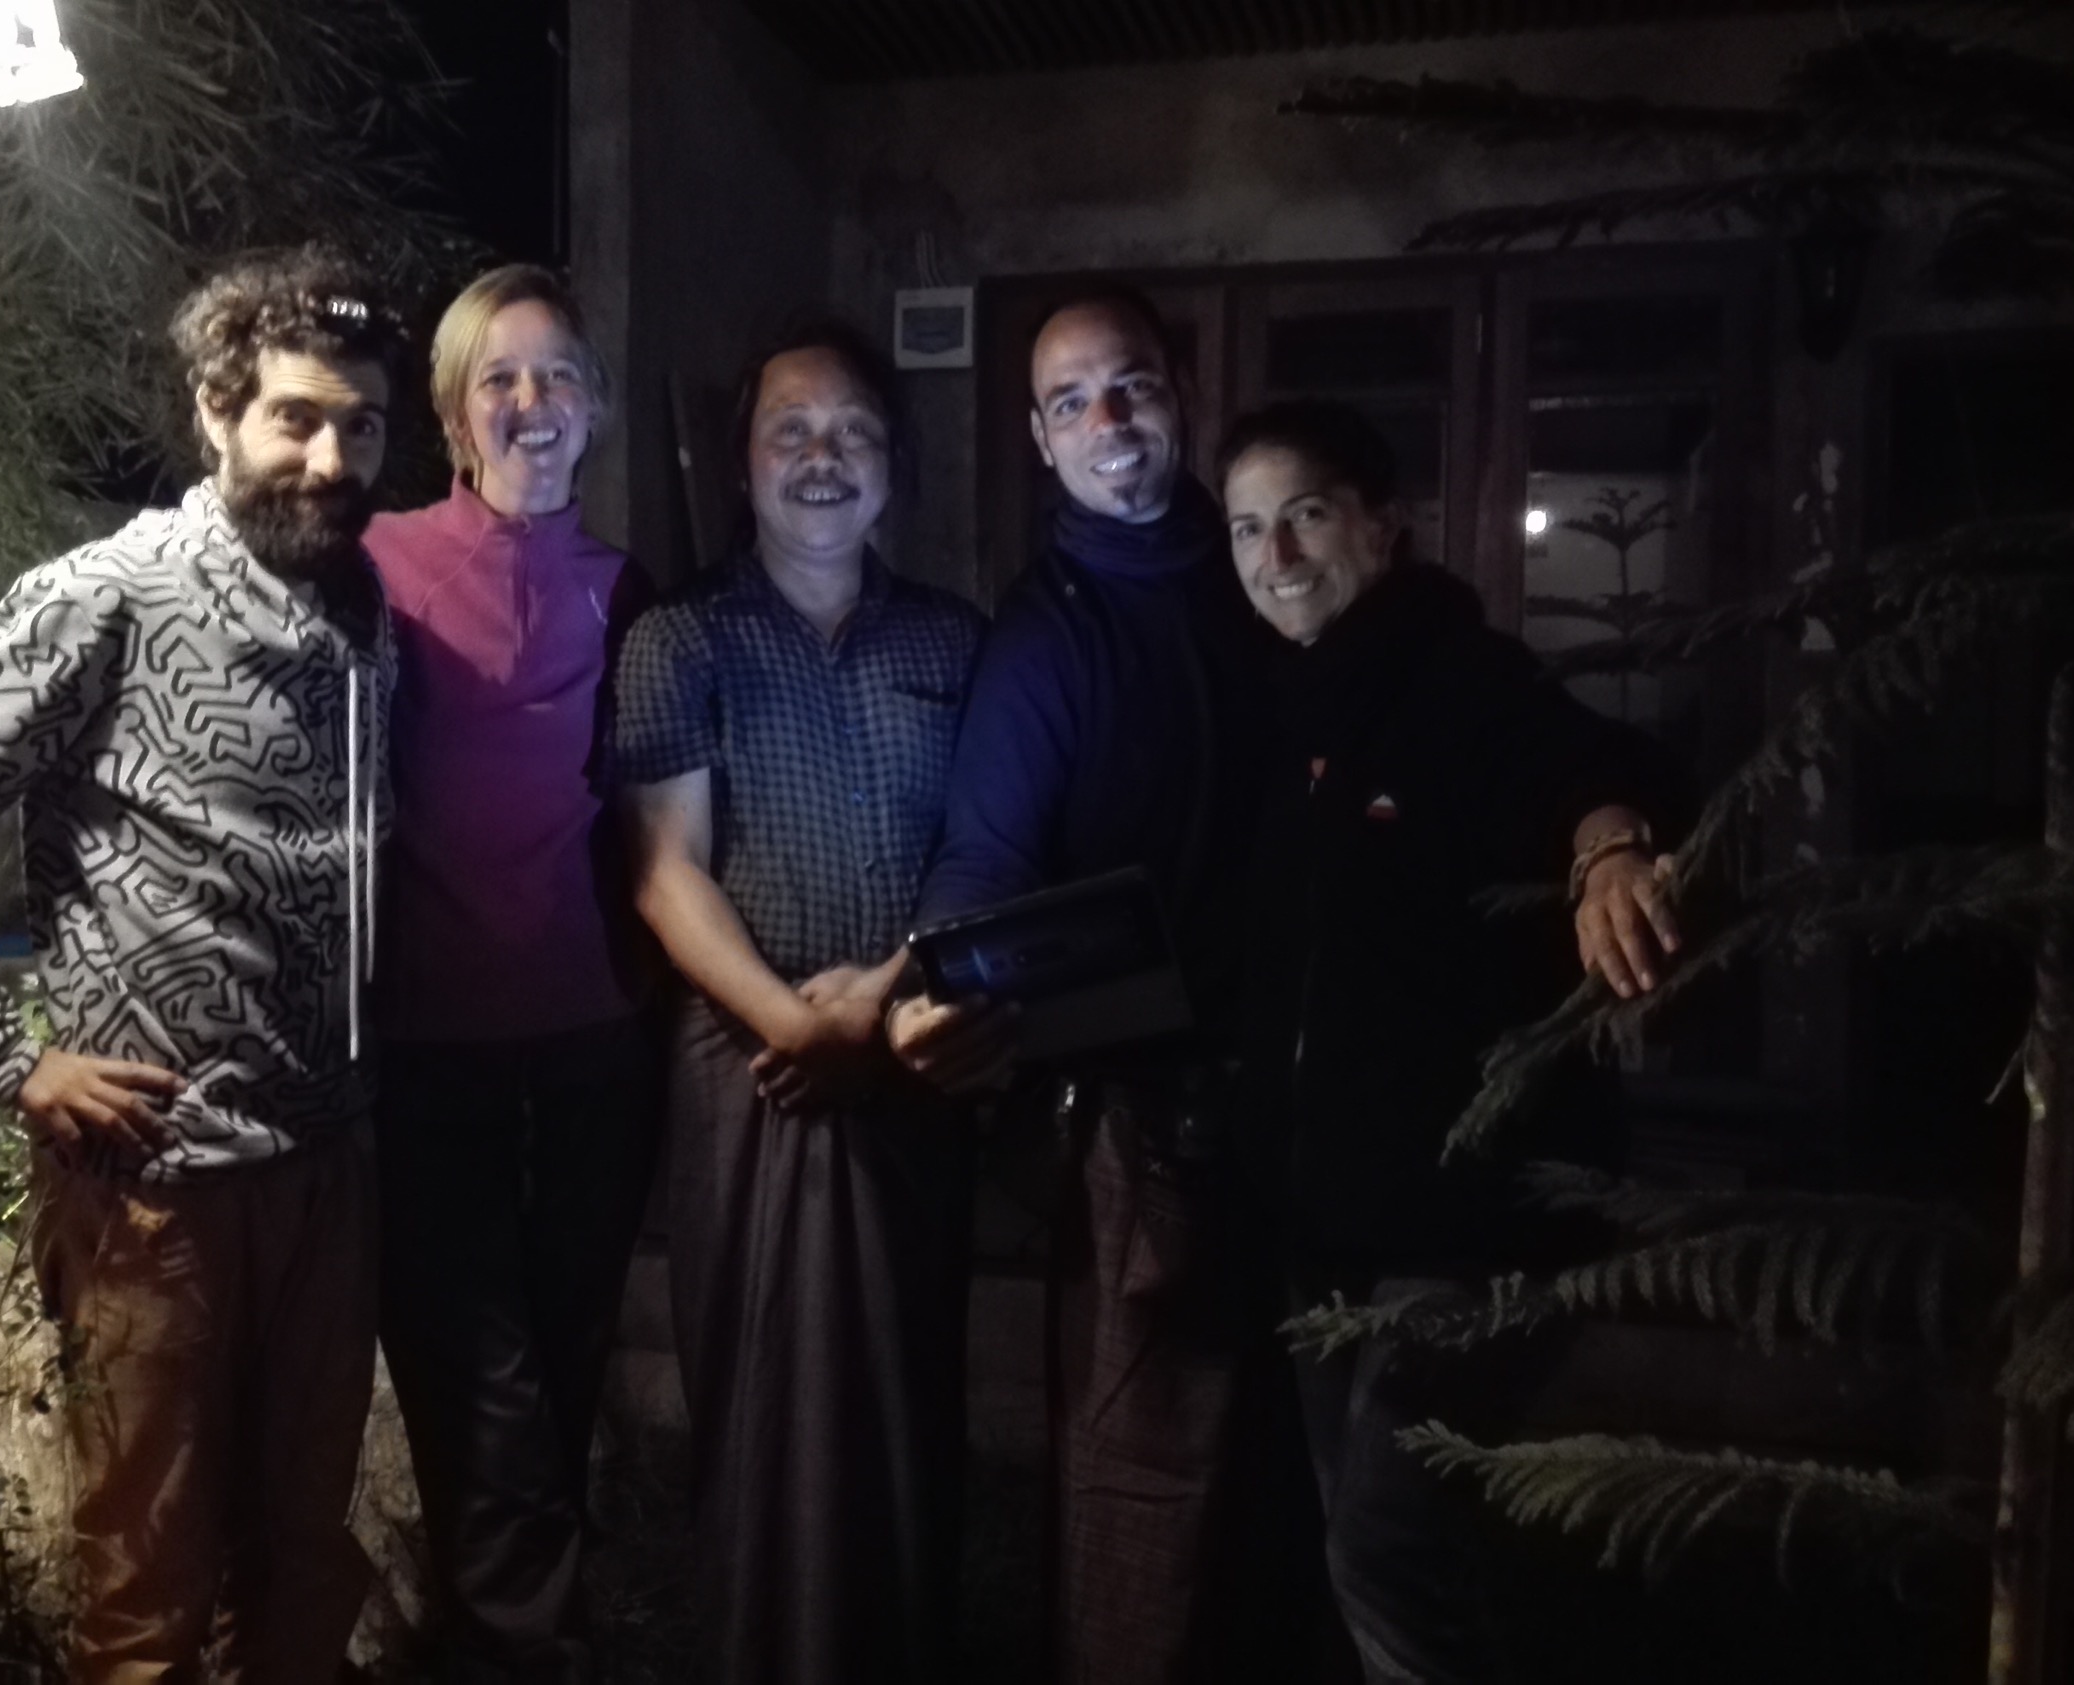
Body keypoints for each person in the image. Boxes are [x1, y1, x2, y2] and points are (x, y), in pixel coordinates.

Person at [0, 246, 397, 1682]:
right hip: (159, 1186)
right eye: (295, 417)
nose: (330, 457)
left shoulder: (366, 610)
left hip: (328, 1172)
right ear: (216, 411)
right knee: (145, 1593)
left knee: (304, 1572)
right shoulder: (108, 593)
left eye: (361, 424)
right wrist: (10, 1057)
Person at [887, 289, 1340, 1684]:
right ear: (1039, 437)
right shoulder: (1046, 634)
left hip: (1312, 1091)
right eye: (1073, 401)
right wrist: (942, 985)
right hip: (1142, 1113)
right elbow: (985, 850)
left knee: (1295, 1455)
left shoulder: (1266, 570)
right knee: (1139, 1467)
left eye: (1131, 384)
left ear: (1181, 390)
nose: (1110, 421)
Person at [1217, 399, 1688, 1683]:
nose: (1277, 555)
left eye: (1307, 514)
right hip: (1323, 1221)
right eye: (1248, 528)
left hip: (1468, 1219)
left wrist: (1609, 848)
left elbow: (1593, 765)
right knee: (1365, 1536)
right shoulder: (1283, 712)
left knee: (1384, 1542)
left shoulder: (1464, 678)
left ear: (1385, 524)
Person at [613, 322, 986, 1685]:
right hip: (750, 1067)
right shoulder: (679, 637)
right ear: (742, 463)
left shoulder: (956, 638)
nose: (823, 458)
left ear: (893, 465)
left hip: (918, 1053)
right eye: (792, 431)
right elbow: (664, 869)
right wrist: (793, 1023)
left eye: (854, 433)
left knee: (905, 1387)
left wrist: (881, 1002)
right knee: (764, 1396)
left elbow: (987, 845)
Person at [362, 262, 659, 1685]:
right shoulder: (380, 566)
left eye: (557, 376)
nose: (531, 401)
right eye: (500, 378)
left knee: (566, 1347)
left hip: (598, 1038)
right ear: (451, 416)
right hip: (433, 1043)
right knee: (468, 1360)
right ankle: (529, 1646)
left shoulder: (627, 589)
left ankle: (508, 1624)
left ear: (592, 409)